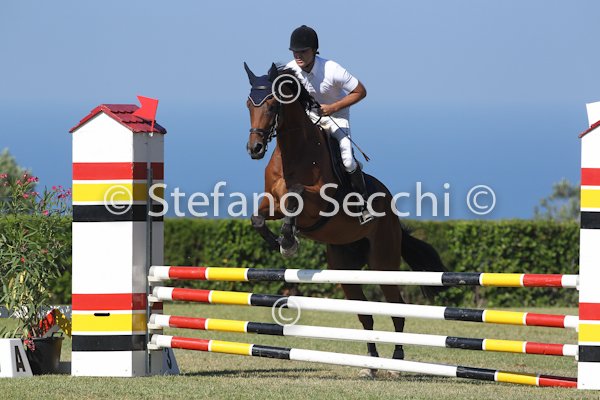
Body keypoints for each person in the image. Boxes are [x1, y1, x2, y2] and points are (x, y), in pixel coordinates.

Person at [285, 25, 374, 224]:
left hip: (337, 116)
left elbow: (360, 92)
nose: (298, 56)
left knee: (348, 161)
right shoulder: (291, 70)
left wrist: (333, 107)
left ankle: (363, 204)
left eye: (303, 51)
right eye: (295, 51)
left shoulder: (332, 69)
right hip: (309, 118)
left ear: (314, 50)